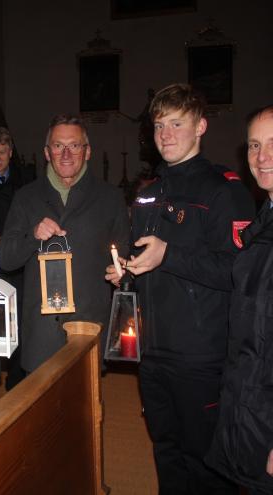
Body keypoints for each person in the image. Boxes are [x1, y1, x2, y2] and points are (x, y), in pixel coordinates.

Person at [106, 83, 255, 494]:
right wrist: (129, 273)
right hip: (153, 351)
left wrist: (169, 255)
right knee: (166, 450)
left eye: (176, 124)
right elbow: (152, 265)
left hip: (201, 356)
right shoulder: (149, 194)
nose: (165, 134)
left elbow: (240, 273)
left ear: (201, 126)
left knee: (206, 461)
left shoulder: (224, 189)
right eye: (158, 126)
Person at [0, 114, 130, 373]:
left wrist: (122, 271)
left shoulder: (110, 198)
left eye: (75, 145)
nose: (66, 153)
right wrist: (32, 235)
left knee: (85, 411)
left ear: (88, 151)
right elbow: (6, 259)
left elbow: (124, 255)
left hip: (88, 328)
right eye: (58, 146)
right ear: (47, 153)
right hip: (41, 334)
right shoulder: (25, 198)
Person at [205, 105, 273, 494]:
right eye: (253, 145)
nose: (261, 157)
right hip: (250, 399)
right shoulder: (263, 218)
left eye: (272, 144)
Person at [0, 127, 34, 391]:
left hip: (20, 263)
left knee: (21, 324)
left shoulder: (25, 182)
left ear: (10, 153)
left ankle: (17, 383)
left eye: (2, 152)